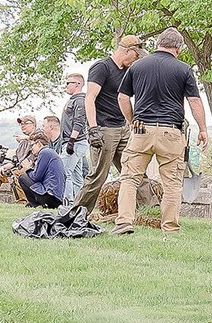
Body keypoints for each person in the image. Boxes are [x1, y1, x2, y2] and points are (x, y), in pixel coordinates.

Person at [115, 28, 211, 235]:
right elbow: (194, 101)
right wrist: (203, 129)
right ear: (179, 48)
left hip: (141, 129)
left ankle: (124, 223)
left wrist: (132, 122)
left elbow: (123, 98)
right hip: (171, 132)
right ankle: (170, 228)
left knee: (130, 179)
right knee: (173, 184)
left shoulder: (137, 66)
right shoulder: (183, 69)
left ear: (158, 43)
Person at [81, 35, 143, 211]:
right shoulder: (102, 67)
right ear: (126, 51)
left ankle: (145, 212)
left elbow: (127, 99)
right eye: (136, 55)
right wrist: (93, 128)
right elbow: (90, 98)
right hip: (104, 128)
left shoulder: (127, 71)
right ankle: (78, 213)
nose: (137, 59)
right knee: (99, 175)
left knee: (132, 170)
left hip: (123, 128)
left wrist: (132, 123)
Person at [59, 70, 88, 201]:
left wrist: (71, 140)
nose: (66, 86)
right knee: (76, 175)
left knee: (65, 172)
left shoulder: (80, 101)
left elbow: (79, 121)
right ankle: (79, 203)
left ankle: (68, 202)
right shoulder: (73, 100)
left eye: (68, 83)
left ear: (77, 84)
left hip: (76, 142)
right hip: (74, 142)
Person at [16, 135, 67, 209]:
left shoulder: (44, 152)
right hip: (56, 197)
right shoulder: (50, 152)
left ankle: (35, 204)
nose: (30, 148)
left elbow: (36, 177)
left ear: (39, 144)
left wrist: (27, 168)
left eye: (32, 145)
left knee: (22, 177)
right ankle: (36, 204)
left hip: (50, 196)